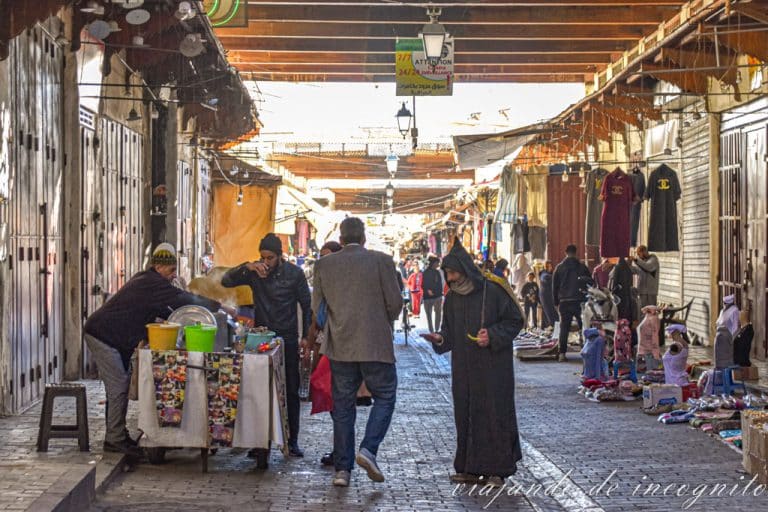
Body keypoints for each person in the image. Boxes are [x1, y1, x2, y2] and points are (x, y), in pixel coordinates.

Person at [83, 243, 221, 456]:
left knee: (120, 384)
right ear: (158, 266)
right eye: (171, 270)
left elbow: (167, 309)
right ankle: (114, 439)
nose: (173, 275)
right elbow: (182, 300)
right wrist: (218, 306)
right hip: (102, 335)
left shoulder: (148, 280)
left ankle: (117, 435)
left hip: (113, 337)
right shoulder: (151, 282)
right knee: (119, 385)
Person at [422, 237, 524, 488]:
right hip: (464, 369)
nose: (452, 279)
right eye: (448, 274)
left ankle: (497, 470)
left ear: (465, 270)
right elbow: (449, 334)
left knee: (493, 414)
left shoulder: (494, 288)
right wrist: (439, 338)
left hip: (493, 368)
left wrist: (493, 335)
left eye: (454, 273)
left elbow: (515, 320)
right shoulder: (454, 297)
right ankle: (468, 467)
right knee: (466, 415)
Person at [311, 217, 402, 487]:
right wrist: (379, 319)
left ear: (340, 240)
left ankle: (343, 470)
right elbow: (395, 304)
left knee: (342, 407)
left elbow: (318, 309)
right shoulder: (382, 261)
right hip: (376, 344)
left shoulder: (324, 265)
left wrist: (336, 325)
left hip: (340, 345)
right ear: (364, 239)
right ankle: (368, 449)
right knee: (385, 396)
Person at [221, 233, 312, 457]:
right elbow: (226, 280)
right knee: (259, 390)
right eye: (263, 257)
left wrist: (306, 337)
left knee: (290, 389)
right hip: (261, 339)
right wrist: (247, 267)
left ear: (280, 256)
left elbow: (306, 304)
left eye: (270, 258)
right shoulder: (254, 273)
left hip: (287, 338)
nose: (266, 262)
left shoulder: (294, 274)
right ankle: (260, 443)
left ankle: (292, 440)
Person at [552, 245, 591, 362]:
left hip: (564, 302)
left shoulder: (559, 268)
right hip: (580, 301)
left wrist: (556, 302)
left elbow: (554, 287)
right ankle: (586, 351)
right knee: (583, 326)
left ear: (565, 252)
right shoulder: (582, 267)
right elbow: (589, 282)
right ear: (576, 252)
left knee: (564, 328)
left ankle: (562, 354)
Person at [422, 256, 444, 333]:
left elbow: (439, 284)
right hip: (428, 297)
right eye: (437, 263)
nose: (438, 264)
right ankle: (432, 330)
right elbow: (423, 284)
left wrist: (440, 294)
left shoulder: (437, 272)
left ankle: (437, 329)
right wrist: (428, 290)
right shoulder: (425, 272)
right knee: (429, 315)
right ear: (434, 263)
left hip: (437, 296)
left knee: (438, 313)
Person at [538, 261, 556, 329]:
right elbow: (545, 278)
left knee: (546, 314)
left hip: (547, 296)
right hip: (545, 296)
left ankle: (544, 327)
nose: (550, 268)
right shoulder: (544, 274)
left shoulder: (548, 274)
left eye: (551, 266)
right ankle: (552, 327)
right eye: (549, 266)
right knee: (551, 314)